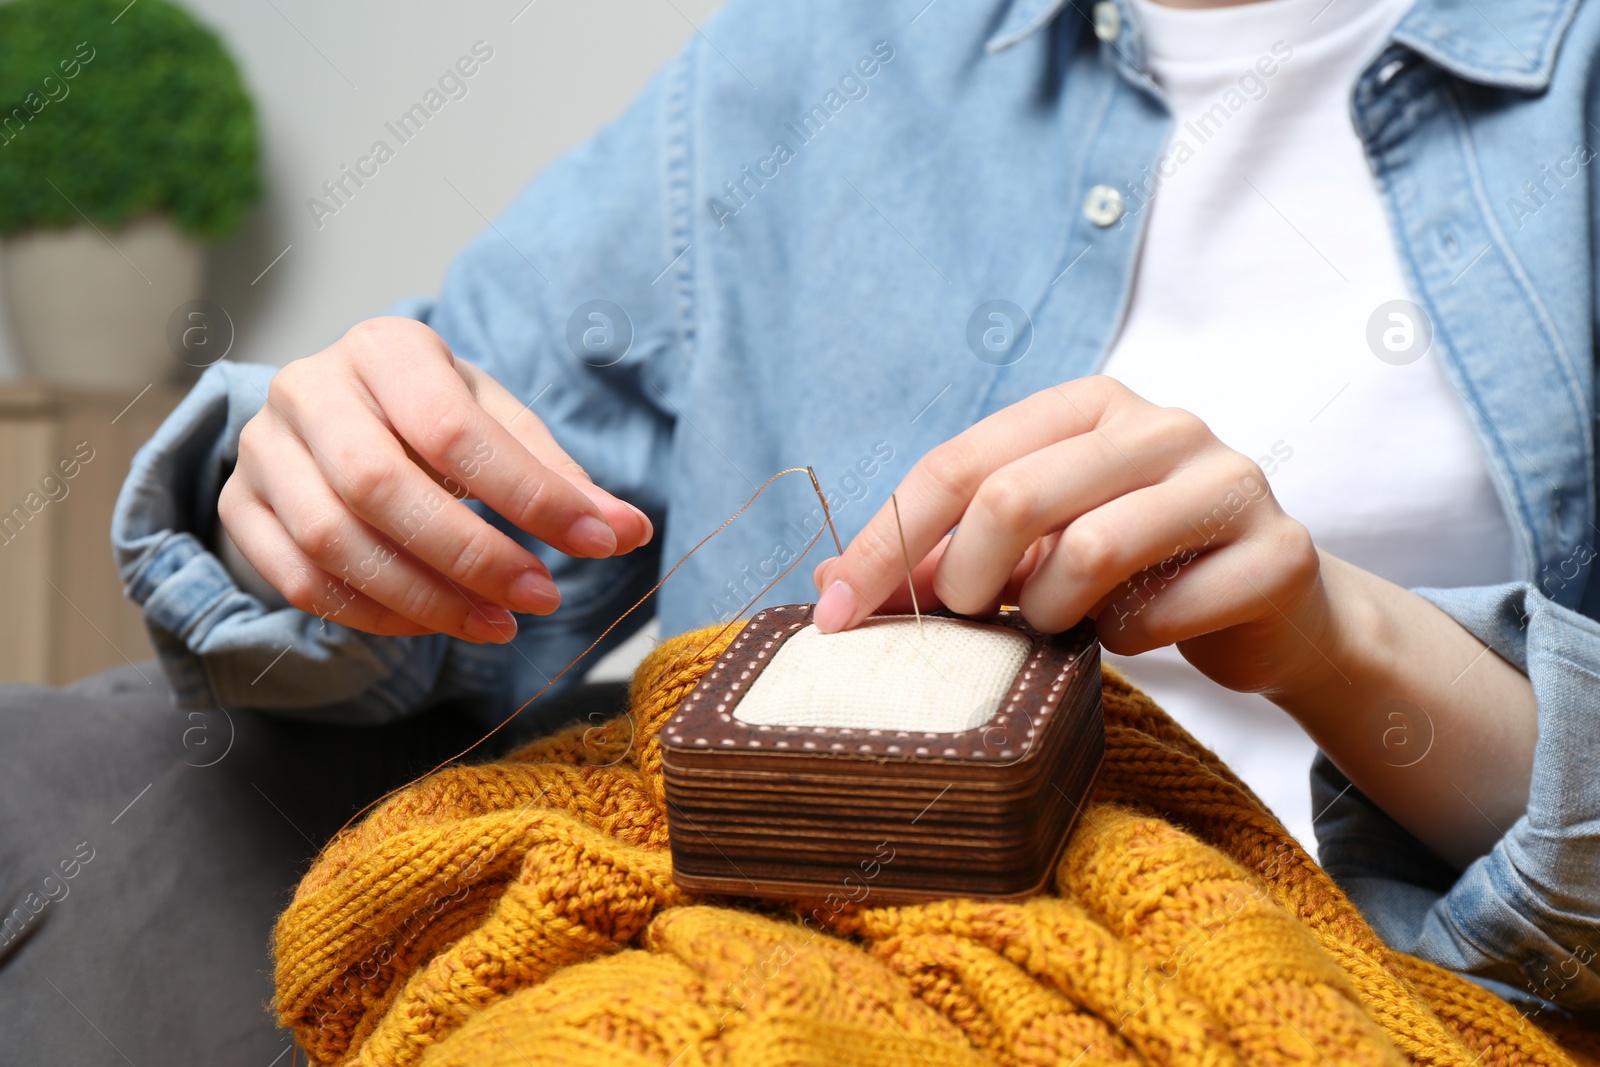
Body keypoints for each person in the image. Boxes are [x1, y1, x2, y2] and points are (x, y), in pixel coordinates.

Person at [7, 0, 1597, 1056]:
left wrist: (1337, 638)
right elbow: (426, 598)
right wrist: (308, 490)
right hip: (726, 943)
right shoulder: (813, 57)